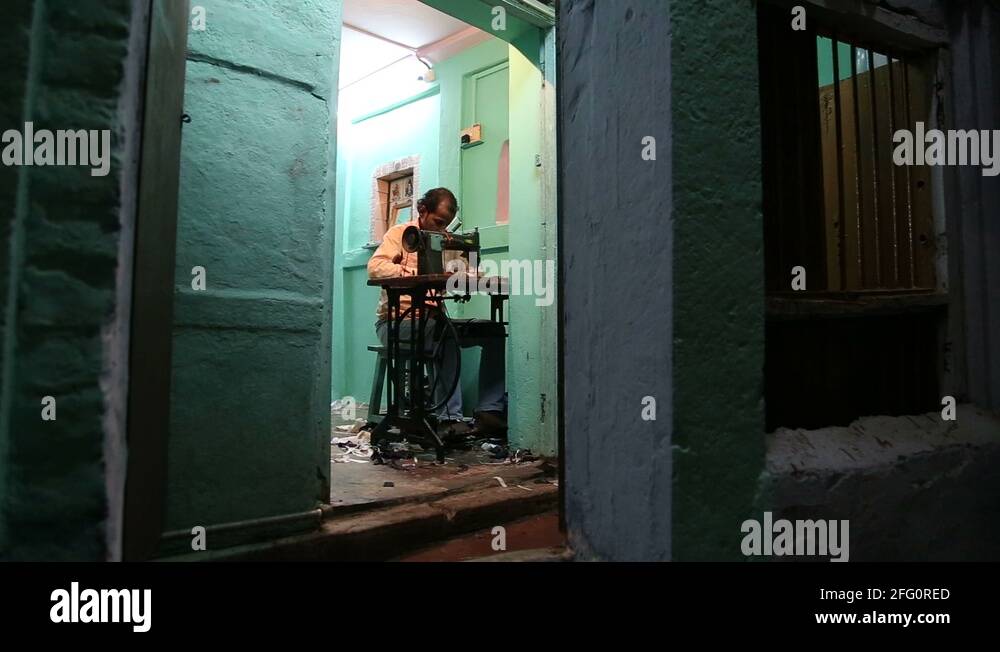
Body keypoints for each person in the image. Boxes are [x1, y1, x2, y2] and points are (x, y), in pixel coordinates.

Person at [367, 188, 507, 436]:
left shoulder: (444, 240)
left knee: (494, 332)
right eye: (439, 222)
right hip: (395, 324)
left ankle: (489, 411)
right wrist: (412, 274)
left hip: (433, 322)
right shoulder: (400, 234)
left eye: (447, 225)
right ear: (423, 210)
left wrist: (469, 272)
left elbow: (466, 270)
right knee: (446, 334)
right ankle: (449, 420)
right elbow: (376, 268)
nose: (442, 229)